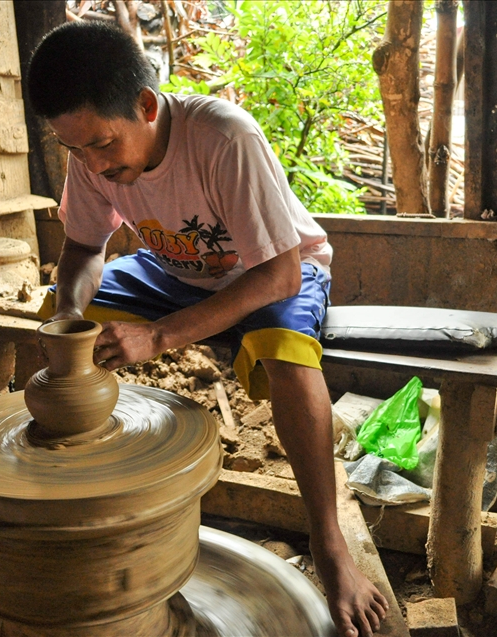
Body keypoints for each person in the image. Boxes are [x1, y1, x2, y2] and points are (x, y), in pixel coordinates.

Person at [27, 21, 388, 637]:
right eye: (74, 150)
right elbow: (85, 250)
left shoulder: (223, 138)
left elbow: (279, 275)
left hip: (272, 265)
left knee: (287, 357)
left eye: (103, 145)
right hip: (174, 269)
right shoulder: (93, 152)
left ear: (146, 106)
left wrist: (161, 336)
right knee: (56, 329)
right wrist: (67, 318)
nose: (92, 163)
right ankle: (65, 511)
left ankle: (330, 549)